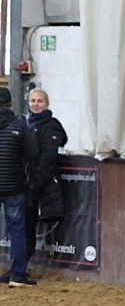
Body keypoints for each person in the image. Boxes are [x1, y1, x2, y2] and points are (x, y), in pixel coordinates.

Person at [0, 86, 39, 286]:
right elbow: (33, 154)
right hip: (13, 185)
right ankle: (17, 275)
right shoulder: (20, 125)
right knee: (17, 230)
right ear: (11, 103)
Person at [24, 89, 69, 263]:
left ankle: (19, 268)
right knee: (23, 227)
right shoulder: (24, 123)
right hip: (25, 183)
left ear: (47, 104)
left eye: (39, 101)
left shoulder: (51, 127)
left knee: (28, 227)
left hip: (37, 185)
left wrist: (34, 184)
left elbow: (47, 160)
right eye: (32, 101)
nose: (35, 104)